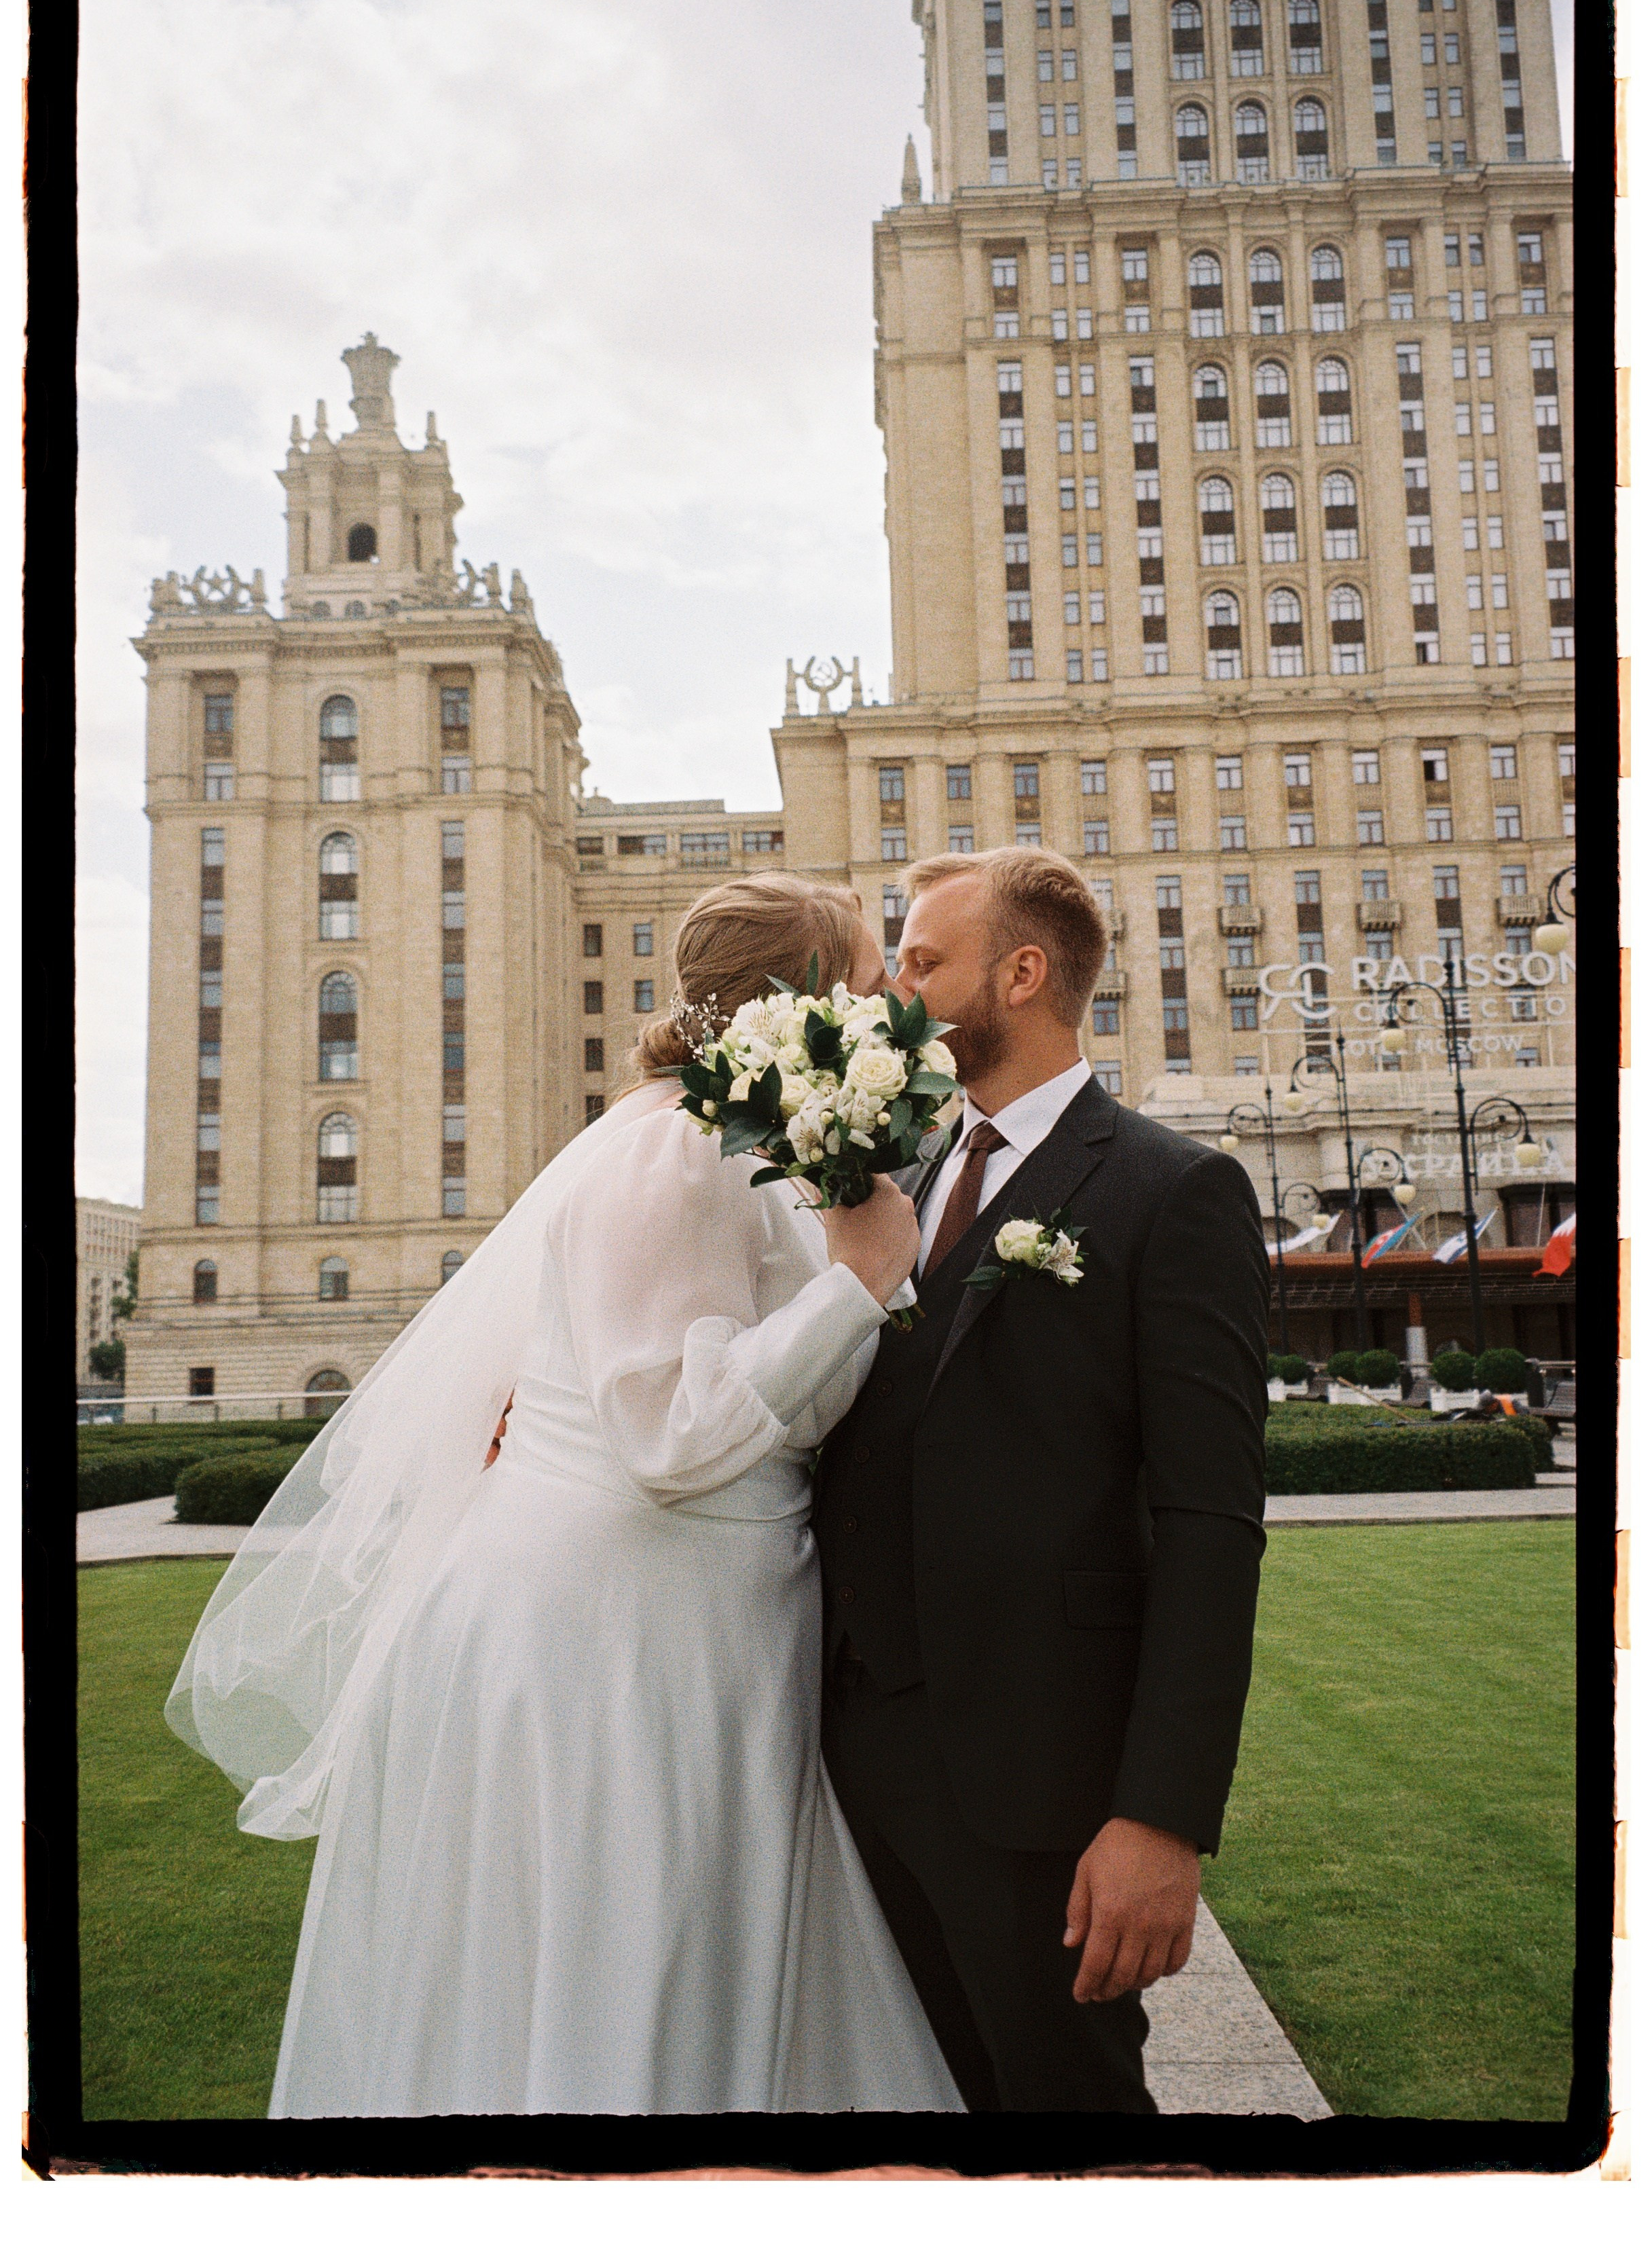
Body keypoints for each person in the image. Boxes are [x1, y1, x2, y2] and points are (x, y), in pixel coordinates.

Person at [166, 872, 963, 2118]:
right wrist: (856, 1282)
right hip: (609, 1638)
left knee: (701, 1938)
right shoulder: (672, 1149)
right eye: (869, 984)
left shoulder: (740, 1143)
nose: (892, 1009)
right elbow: (665, 1430)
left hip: (701, 1617)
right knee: (627, 1945)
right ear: (796, 1005)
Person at [813, 848, 1270, 2114]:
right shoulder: (892, 1176)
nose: (893, 989)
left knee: (1072, 2123)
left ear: (1020, 974)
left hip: (1038, 1783)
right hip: (857, 1754)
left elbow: (1211, 1523)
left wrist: (1160, 1817)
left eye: (920, 962)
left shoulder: (1172, 1189)